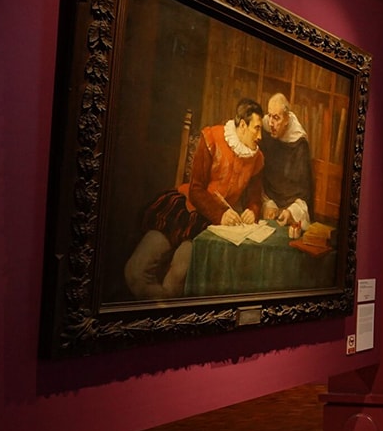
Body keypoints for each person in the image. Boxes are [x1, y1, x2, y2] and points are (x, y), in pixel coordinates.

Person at [124, 99, 265, 299]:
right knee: (135, 272)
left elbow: (255, 198)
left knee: (177, 280)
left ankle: (164, 315)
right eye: (257, 129)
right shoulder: (211, 138)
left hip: (212, 227)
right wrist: (220, 213)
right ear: (242, 125)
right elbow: (196, 190)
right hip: (184, 210)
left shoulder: (257, 158)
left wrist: (252, 210)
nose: (260, 136)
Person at [259, 93, 314, 235]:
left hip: (290, 211)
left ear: (287, 119)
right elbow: (259, 176)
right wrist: (267, 203)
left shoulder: (299, 145)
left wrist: (290, 212)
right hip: (267, 207)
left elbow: (304, 194)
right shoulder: (264, 129)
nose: (271, 122)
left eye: (276, 118)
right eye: (269, 115)